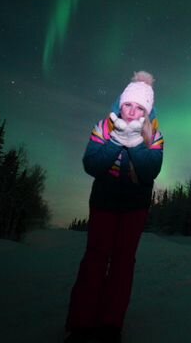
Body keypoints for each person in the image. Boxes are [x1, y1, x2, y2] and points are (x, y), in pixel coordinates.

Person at [65, 71, 164, 343]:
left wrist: (134, 144)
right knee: (95, 259)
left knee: (122, 264)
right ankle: (81, 325)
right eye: (128, 105)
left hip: (134, 208)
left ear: (147, 110)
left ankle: (110, 325)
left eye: (139, 107)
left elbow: (149, 171)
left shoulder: (154, 134)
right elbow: (92, 164)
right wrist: (116, 141)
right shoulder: (104, 127)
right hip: (104, 203)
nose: (132, 113)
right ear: (121, 103)